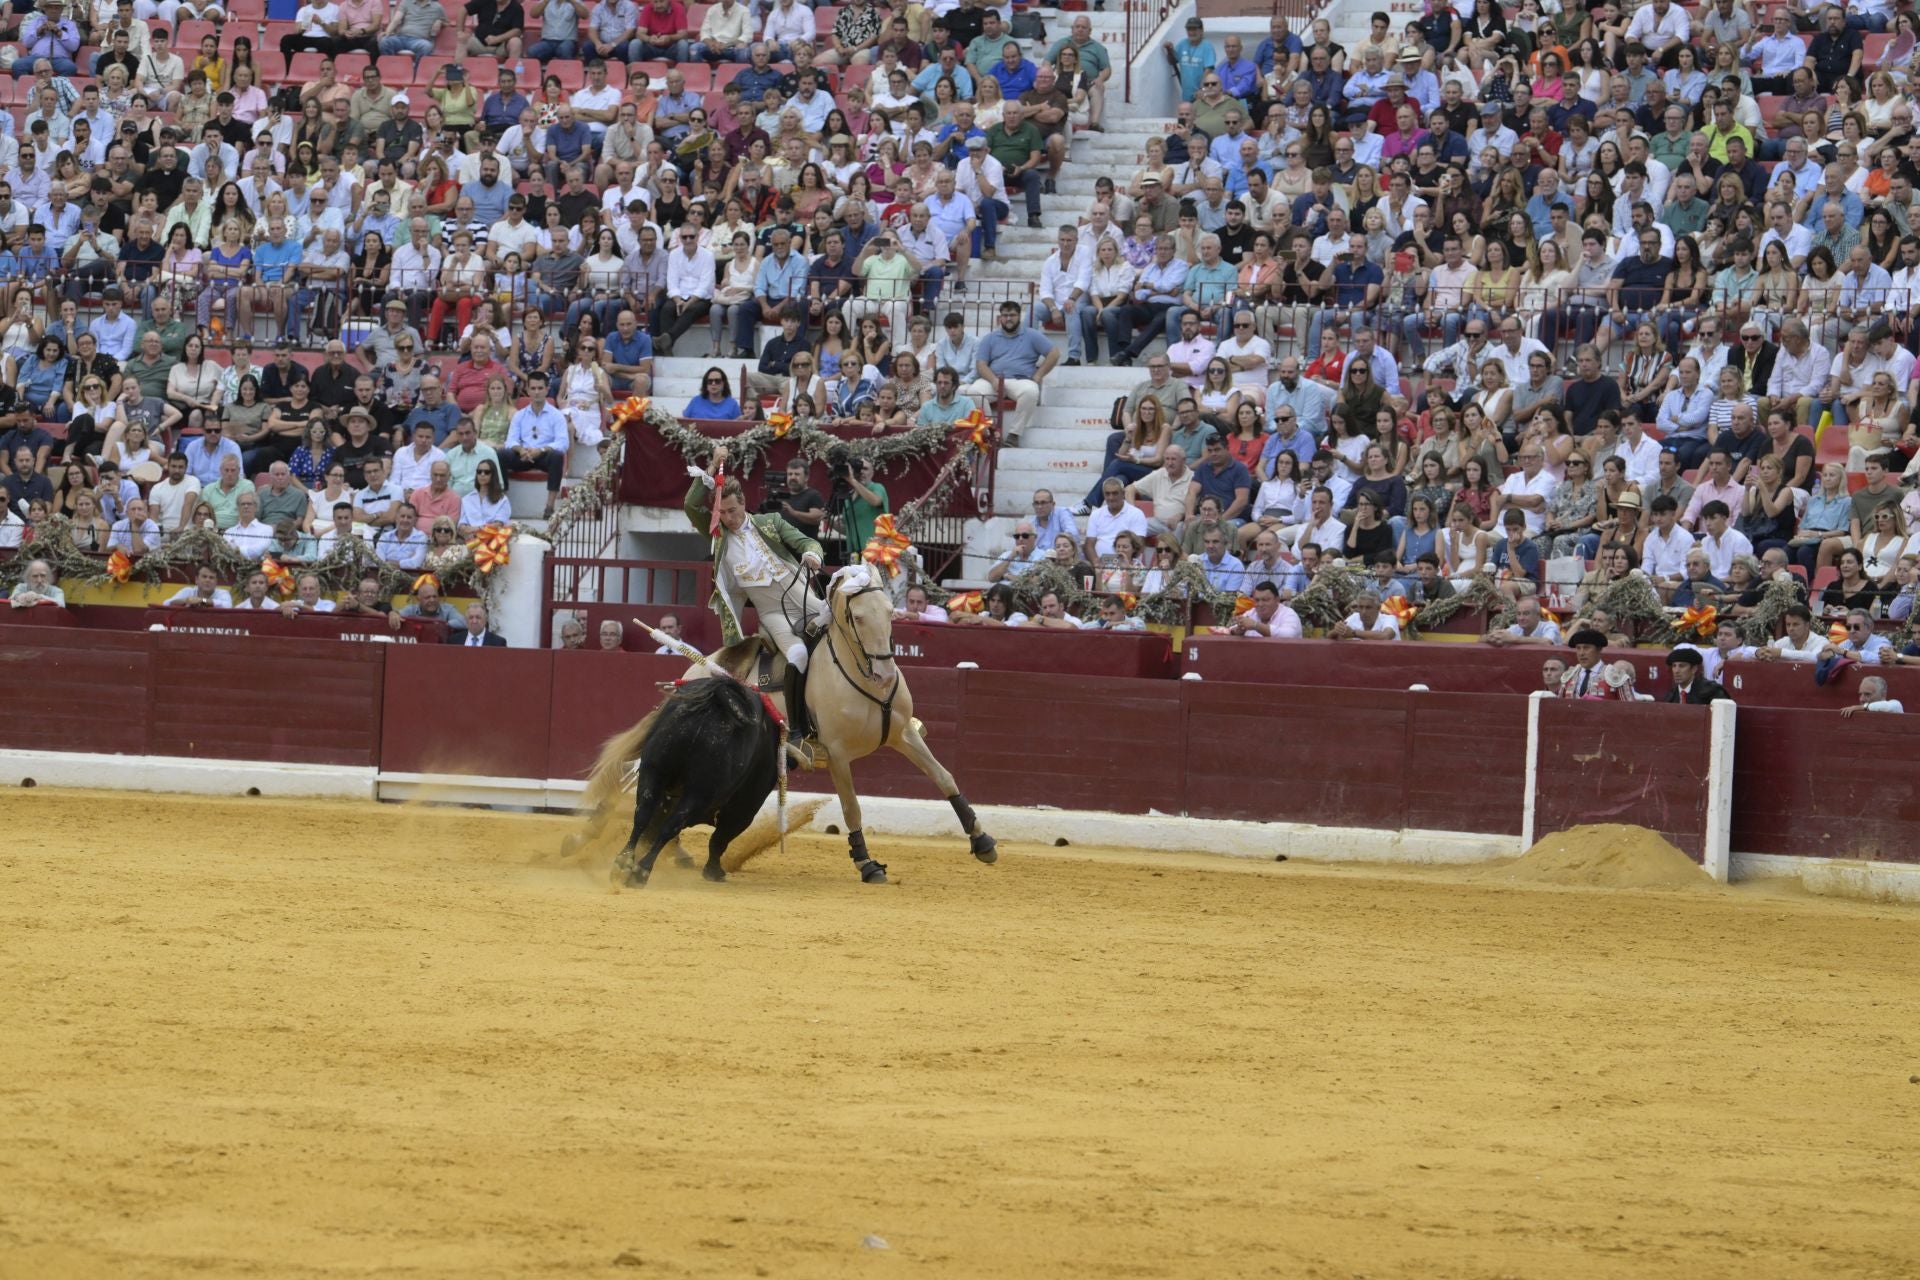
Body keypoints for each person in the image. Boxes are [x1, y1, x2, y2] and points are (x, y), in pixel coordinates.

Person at [685, 443, 826, 751]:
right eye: (722, 513)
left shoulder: (770, 522)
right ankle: (800, 729)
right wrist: (712, 467)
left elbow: (806, 542)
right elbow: (690, 505)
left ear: (745, 503)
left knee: (837, 626)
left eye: (733, 511)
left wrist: (813, 556)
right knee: (797, 655)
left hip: (801, 595)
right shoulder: (718, 535)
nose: (729, 518)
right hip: (771, 611)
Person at [1224, 580, 1302, 638]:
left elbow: (1289, 635)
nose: (1260, 604)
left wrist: (1256, 626)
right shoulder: (1251, 613)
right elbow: (1231, 630)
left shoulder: (1288, 614)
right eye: (1257, 600)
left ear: (1277, 600)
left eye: (1265, 600)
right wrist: (1238, 631)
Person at [1664, 645, 1729, 703]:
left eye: (1682, 666)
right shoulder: (1671, 696)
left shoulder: (1712, 691)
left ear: (1694, 669)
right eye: (1674, 666)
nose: (1676, 671)